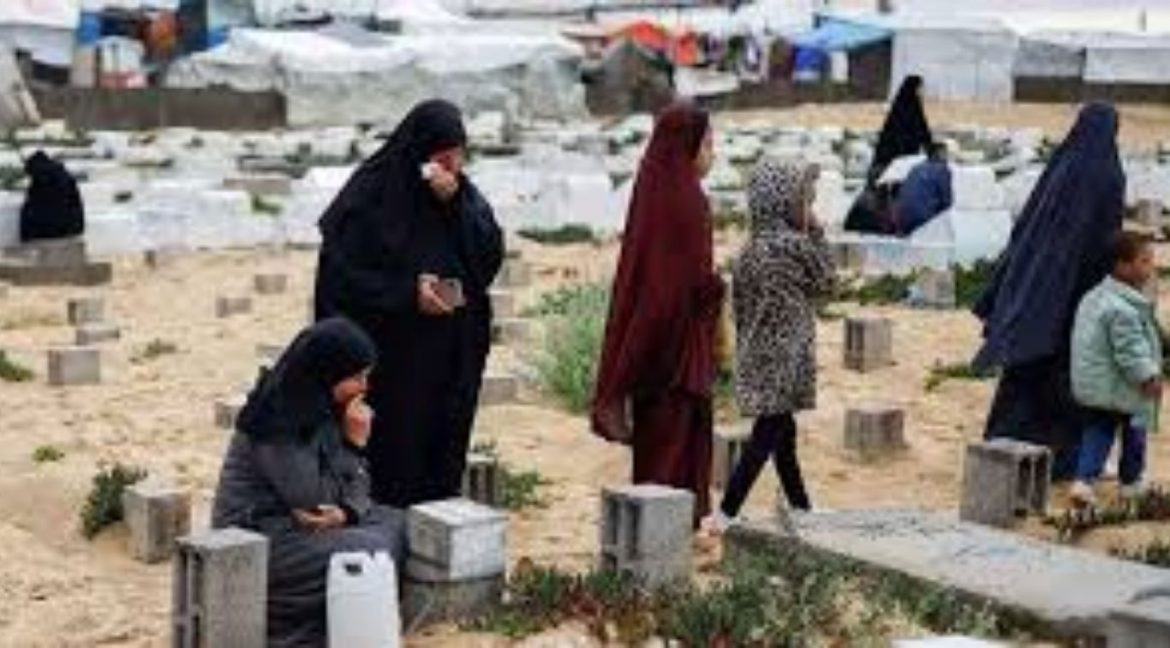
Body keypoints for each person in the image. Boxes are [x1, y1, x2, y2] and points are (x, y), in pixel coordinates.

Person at [314, 100, 503, 508]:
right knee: (392, 461)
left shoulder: (463, 195)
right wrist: (406, 294)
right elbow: (340, 280)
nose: (450, 166)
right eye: (441, 157)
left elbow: (487, 258)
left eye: (457, 156)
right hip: (392, 362)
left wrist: (455, 204)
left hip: (448, 359)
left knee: (441, 456)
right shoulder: (369, 196)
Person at [211, 317, 405, 648]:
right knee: (371, 550)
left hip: (304, 523)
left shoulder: (321, 403)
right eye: (356, 377)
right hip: (259, 537)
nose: (365, 387)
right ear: (328, 371)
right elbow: (314, 499)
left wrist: (347, 512)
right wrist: (355, 445)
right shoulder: (277, 421)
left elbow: (348, 493)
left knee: (401, 523)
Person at [973, 102, 1125, 480]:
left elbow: (1027, 229)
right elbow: (1106, 242)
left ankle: (1005, 442)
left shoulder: (1061, 167)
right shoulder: (1108, 174)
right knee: (1065, 377)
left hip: (1039, 288)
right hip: (1078, 293)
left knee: (1028, 368)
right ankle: (1061, 459)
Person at [592, 99, 724, 527]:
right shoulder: (689, 201)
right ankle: (668, 538)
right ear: (688, 146)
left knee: (655, 452)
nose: (713, 154)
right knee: (676, 454)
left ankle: (651, 536)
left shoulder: (652, 189)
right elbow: (684, 286)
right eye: (707, 144)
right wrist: (715, 290)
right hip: (678, 354)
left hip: (650, 349)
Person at [708, 158, 834, 532]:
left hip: (757, 354)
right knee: (766, 436)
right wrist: (818, 233)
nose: (809, 210)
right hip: (787, 357)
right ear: (783, 204)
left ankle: (800, 507)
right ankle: (727, 512)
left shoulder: (748, 252)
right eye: (804, 202)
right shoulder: (795, 245)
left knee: (783, 435)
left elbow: (739, 306)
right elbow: (828, 282)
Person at [1069, 231, 1162, 505]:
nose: (1150, 268)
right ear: (1122, 266)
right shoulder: (1124, 310)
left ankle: (1083, 481)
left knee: (1098, 431)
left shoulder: (1095, 296)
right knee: (1135, 432)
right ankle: (1130, 482)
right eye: (1144, 261)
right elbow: (1131, 352)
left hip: (1096, 383)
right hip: (1122, 385)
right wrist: (1148, 377)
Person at [844, 75, 934, 234]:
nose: (922, 92)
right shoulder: (907, 111)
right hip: (894, 162)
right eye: (920, 89)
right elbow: (921, 137)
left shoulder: (907, 110)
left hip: (898, 161)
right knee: (888, 195)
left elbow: (924, 136)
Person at [19, 150, 84, 243]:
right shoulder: (65, 176)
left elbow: (30, 208)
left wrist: (24, 236)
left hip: (46, 230)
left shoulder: (40, 181)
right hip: (69, 228)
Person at [893, 141, 953, 236]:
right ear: (939, 153)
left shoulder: (916, 168)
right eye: (945, 153)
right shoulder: (942, 169)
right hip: (923, 217)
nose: (947, 156)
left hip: (902, 215)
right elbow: (946, 200)